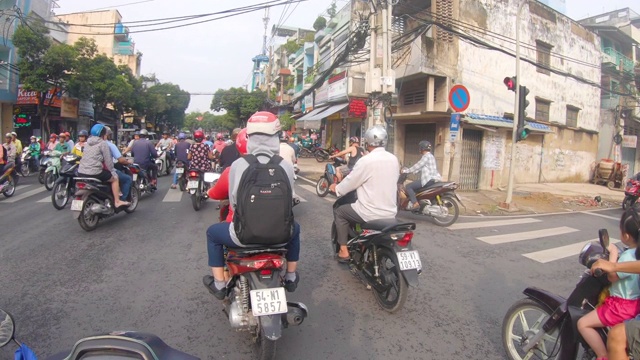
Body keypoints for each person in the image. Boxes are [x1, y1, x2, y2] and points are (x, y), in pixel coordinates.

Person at [203, 112, 300, 300]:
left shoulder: (239, 165)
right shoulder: (285, 165)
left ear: (250, 137)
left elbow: (234, 202)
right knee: (296, 229)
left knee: (212, 233)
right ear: (276, 137)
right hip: (281, 237)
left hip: (242, 237)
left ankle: (219, 284)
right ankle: (290, 276)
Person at [329, 125, 399, 262]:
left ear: (366, 142)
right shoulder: (393, 159)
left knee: (340, 212)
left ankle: (343, 251)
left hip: (369, 212)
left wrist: (336, 188)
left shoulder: (366, 161)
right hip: (390, 213)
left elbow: (350, 181)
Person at [578, 208, 640, 360]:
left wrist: (613, 255)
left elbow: (612, 276)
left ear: (625, 235)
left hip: (620, 307)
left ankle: (603, 355)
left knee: (583, 323)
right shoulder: (635, 252)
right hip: (634, 305)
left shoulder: (628, 256)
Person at [77, 124, 130, 208]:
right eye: (105, 134)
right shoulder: (103, 144)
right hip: (95, 172)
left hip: (81, 172)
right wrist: (112, 172)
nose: (106, 136)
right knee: (115, 178)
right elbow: (108, 161)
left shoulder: (87, 143)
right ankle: (117, 201)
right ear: (102, 135)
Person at [207, 128, 248, 221]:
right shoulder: (276, 164)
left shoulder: (230, 171)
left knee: (213, 232)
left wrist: (208, 192)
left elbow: (215, 194)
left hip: (236, 226)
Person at [401, 140, 441, 211]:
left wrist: (406, 171)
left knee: (408, 186)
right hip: (433, 179)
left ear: (422, 148)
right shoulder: (431, 156)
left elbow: (417, 165)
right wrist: (415, 172)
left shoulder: (426, 157)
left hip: (427, 180)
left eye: (420, 147)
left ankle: (415, 203)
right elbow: (422, 167)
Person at [103, 127, 133, 202]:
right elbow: (120, 160)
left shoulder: (88, 144)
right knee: (127, 179)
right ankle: (120, 200)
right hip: (103, 170)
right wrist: (128, 162)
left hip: (85, 171)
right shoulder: (108, 145)